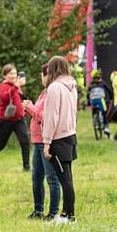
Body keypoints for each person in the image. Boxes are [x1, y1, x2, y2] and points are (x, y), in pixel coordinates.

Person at [41, 56, 78, 223]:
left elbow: (52, 117)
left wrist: (46, 142)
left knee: (65, 179)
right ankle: (66, 213)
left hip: (59, 138)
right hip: (70, 135)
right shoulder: (72, 86)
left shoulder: (55, 88)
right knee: (67, 177)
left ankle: (68, 215)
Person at [23, 64, 61, 220]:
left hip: (46, 141)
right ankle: (38, 210)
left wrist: (31, 108)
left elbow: (46, 117)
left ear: (47, 75)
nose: (40, 77)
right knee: (36, 177)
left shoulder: (52, 93)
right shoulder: (44, 92)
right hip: (37, 140)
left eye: (42, 74)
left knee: (52, 178)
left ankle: (52, 213)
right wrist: (28, 109)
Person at [0, 64, 31, 171]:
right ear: (4, 76)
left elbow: (19, 99)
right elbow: (4, 98)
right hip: (6, 121)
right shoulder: (3, 86)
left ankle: (26, 167)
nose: (13, 75)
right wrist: (16, 86)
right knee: (0, 145)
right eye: (11, 73)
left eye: (15, 73)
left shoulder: (16, 86)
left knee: (25, 141)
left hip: (19, 119)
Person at [86, 69, 111, 138]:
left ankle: (94, 120)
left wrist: (88, 102)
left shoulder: (91, 84)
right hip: (100, 100)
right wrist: (111, 97)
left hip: (93, 100)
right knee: (104, 112)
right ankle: (106, 127)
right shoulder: (102, 82)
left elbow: (88, 94)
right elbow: (109, 90)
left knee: (94, 110)